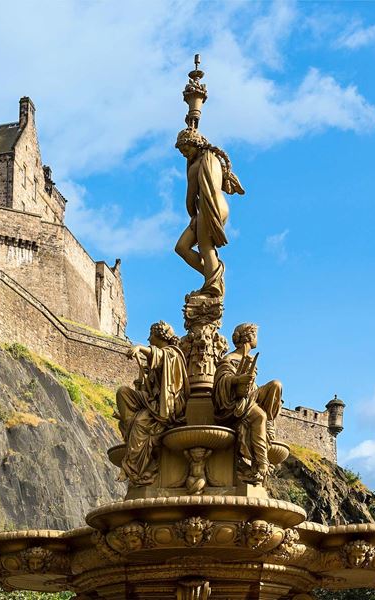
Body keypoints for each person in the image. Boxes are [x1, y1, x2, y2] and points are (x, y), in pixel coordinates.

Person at [115, 321, 189, 486]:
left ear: (159, 335)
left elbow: (160, 356)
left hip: (168, 405)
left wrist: (140, 348)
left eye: (151, 334)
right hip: (152, 401)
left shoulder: (172, 354)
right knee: (123, 393)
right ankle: (130, 426)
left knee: (141, 422)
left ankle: (132, 468)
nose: (148, 338)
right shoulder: (157, 358)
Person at [174, 128, 244, 297]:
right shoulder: (213, 160)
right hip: (221, 207)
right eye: (181, 151)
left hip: (209, 207)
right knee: (182, 247)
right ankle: (212, 276)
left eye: (186, 149)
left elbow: (190, 198)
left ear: (196, 145)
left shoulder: (196, 166)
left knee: (206, 247)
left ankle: (213, 285)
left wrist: (193, 216)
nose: (184, 154)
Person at [212, 323, 282, 483]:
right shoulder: (229, 359)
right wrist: (238, 380)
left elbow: (252, 387)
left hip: (250, 397)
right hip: (234, 404)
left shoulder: (250, 360)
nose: (257, 338)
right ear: (248, 337)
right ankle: (261, 463)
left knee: (276, 385)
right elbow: (220, 382)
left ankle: (269, 423)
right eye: (255, 335)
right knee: (259, 417)